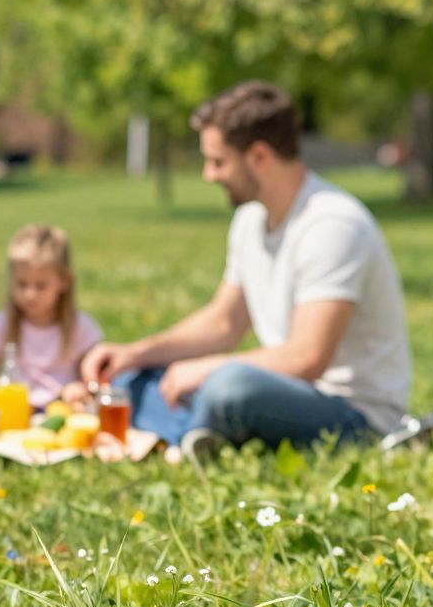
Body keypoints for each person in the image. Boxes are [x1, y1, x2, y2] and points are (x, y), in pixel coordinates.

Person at [81, 81, 414, 460]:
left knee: (228, 387)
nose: (208, 175)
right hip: (277, 394)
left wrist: (207, 370)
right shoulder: (250, 219)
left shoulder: (332, 224)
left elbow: (308, 358)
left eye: (218, 162)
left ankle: (192, 430)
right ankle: (201, 432)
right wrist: (134, 353)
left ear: (259, 156)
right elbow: (224, 322)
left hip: (350, 414)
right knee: (130, 380)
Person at [0, 225, 103, 407]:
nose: (30, 294)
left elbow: (93, 382)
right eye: (22, 284)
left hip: (63, 412)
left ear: (64, 281)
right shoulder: (2, 324)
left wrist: (81, 388)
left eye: (41, 286)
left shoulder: (81, 328)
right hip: (14, 410)